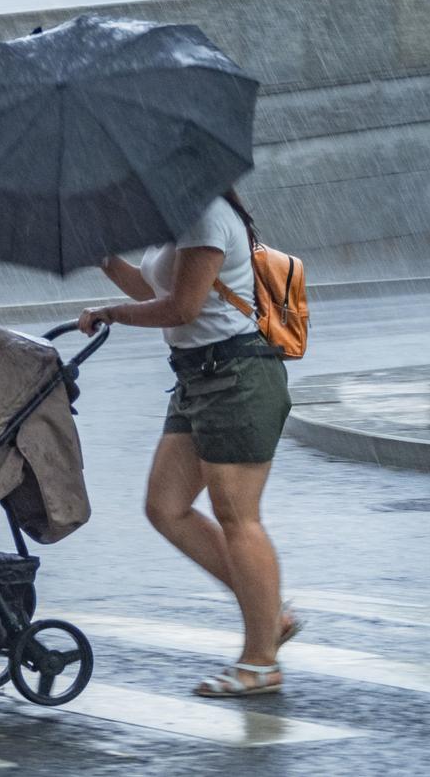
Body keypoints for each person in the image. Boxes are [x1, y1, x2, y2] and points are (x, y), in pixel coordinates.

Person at [78, 189, 299, 698]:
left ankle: (261, 661)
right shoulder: (176, 218)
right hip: (198, 377)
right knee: (166, 506)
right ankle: (270, 614)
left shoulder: (204, 215)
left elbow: (182, 307)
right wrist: (106, 259)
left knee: (238, 516)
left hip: (236, 375)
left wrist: (109, 313)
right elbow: (151, 289)